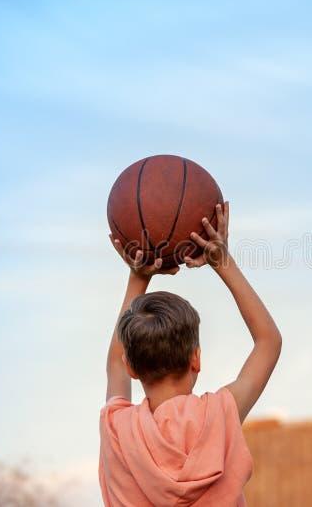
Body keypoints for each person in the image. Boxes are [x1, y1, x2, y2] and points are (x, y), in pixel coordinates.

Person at [99, 202, 282, 507]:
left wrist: (138, 277)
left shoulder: (118, 430)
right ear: (195, 359)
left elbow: (114, 365)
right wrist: (222, 261)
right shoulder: (220, 414)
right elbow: (268, 342)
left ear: (131, 366)